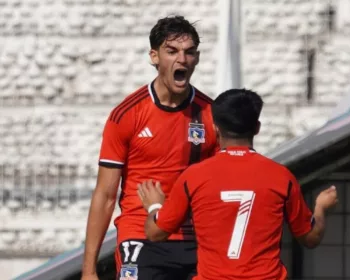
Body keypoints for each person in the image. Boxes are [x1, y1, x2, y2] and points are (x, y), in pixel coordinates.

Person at [138, 88, 338, 280]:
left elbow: (156, 233)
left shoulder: (194, 177)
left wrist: (155, 206)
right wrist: (321, 207)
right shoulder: (281, 177)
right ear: (257, 128)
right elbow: (310, 237)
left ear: (215, 128)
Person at [81, 15, 219, 280]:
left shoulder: (211, 113)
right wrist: (89, 270)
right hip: (141, 235)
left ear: (197, 59)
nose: (182, 59)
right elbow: (106, 195)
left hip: (196, 238)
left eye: (189, 52)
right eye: (172, 51)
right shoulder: (127, 115)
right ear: (154, 57)